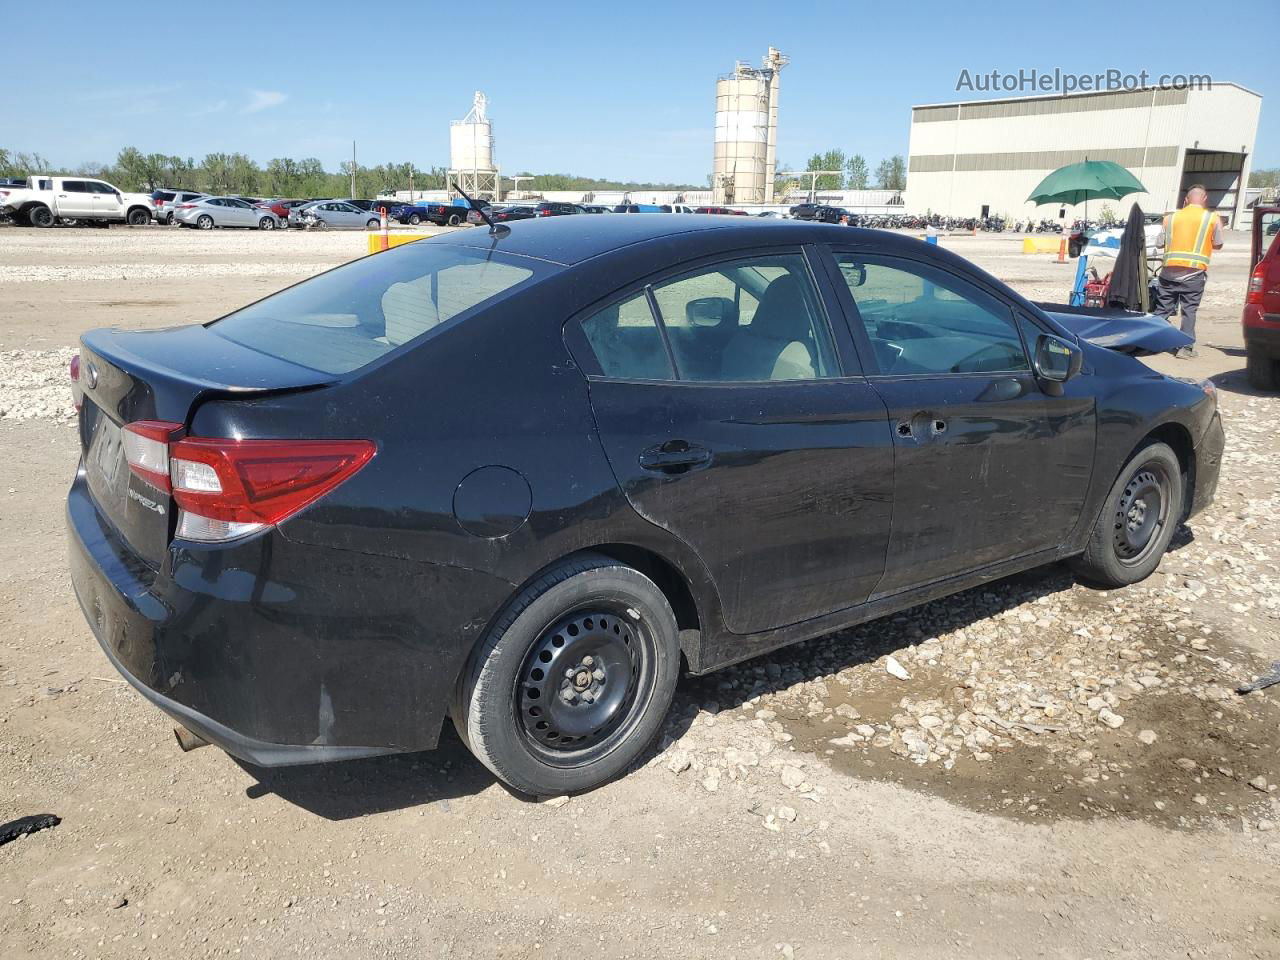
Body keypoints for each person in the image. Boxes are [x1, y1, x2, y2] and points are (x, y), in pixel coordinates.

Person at [1153, 184, 1223, 359]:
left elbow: (1159, 243)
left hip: (1168, 273)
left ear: (1186, 200)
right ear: (1205, 199)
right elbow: (1218, 244)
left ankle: (1152, 343)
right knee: (1188, 311)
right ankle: (1185, 348)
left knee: (1163, 309)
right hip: (1193, 275)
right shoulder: (1212, 218)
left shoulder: (1170, 218)